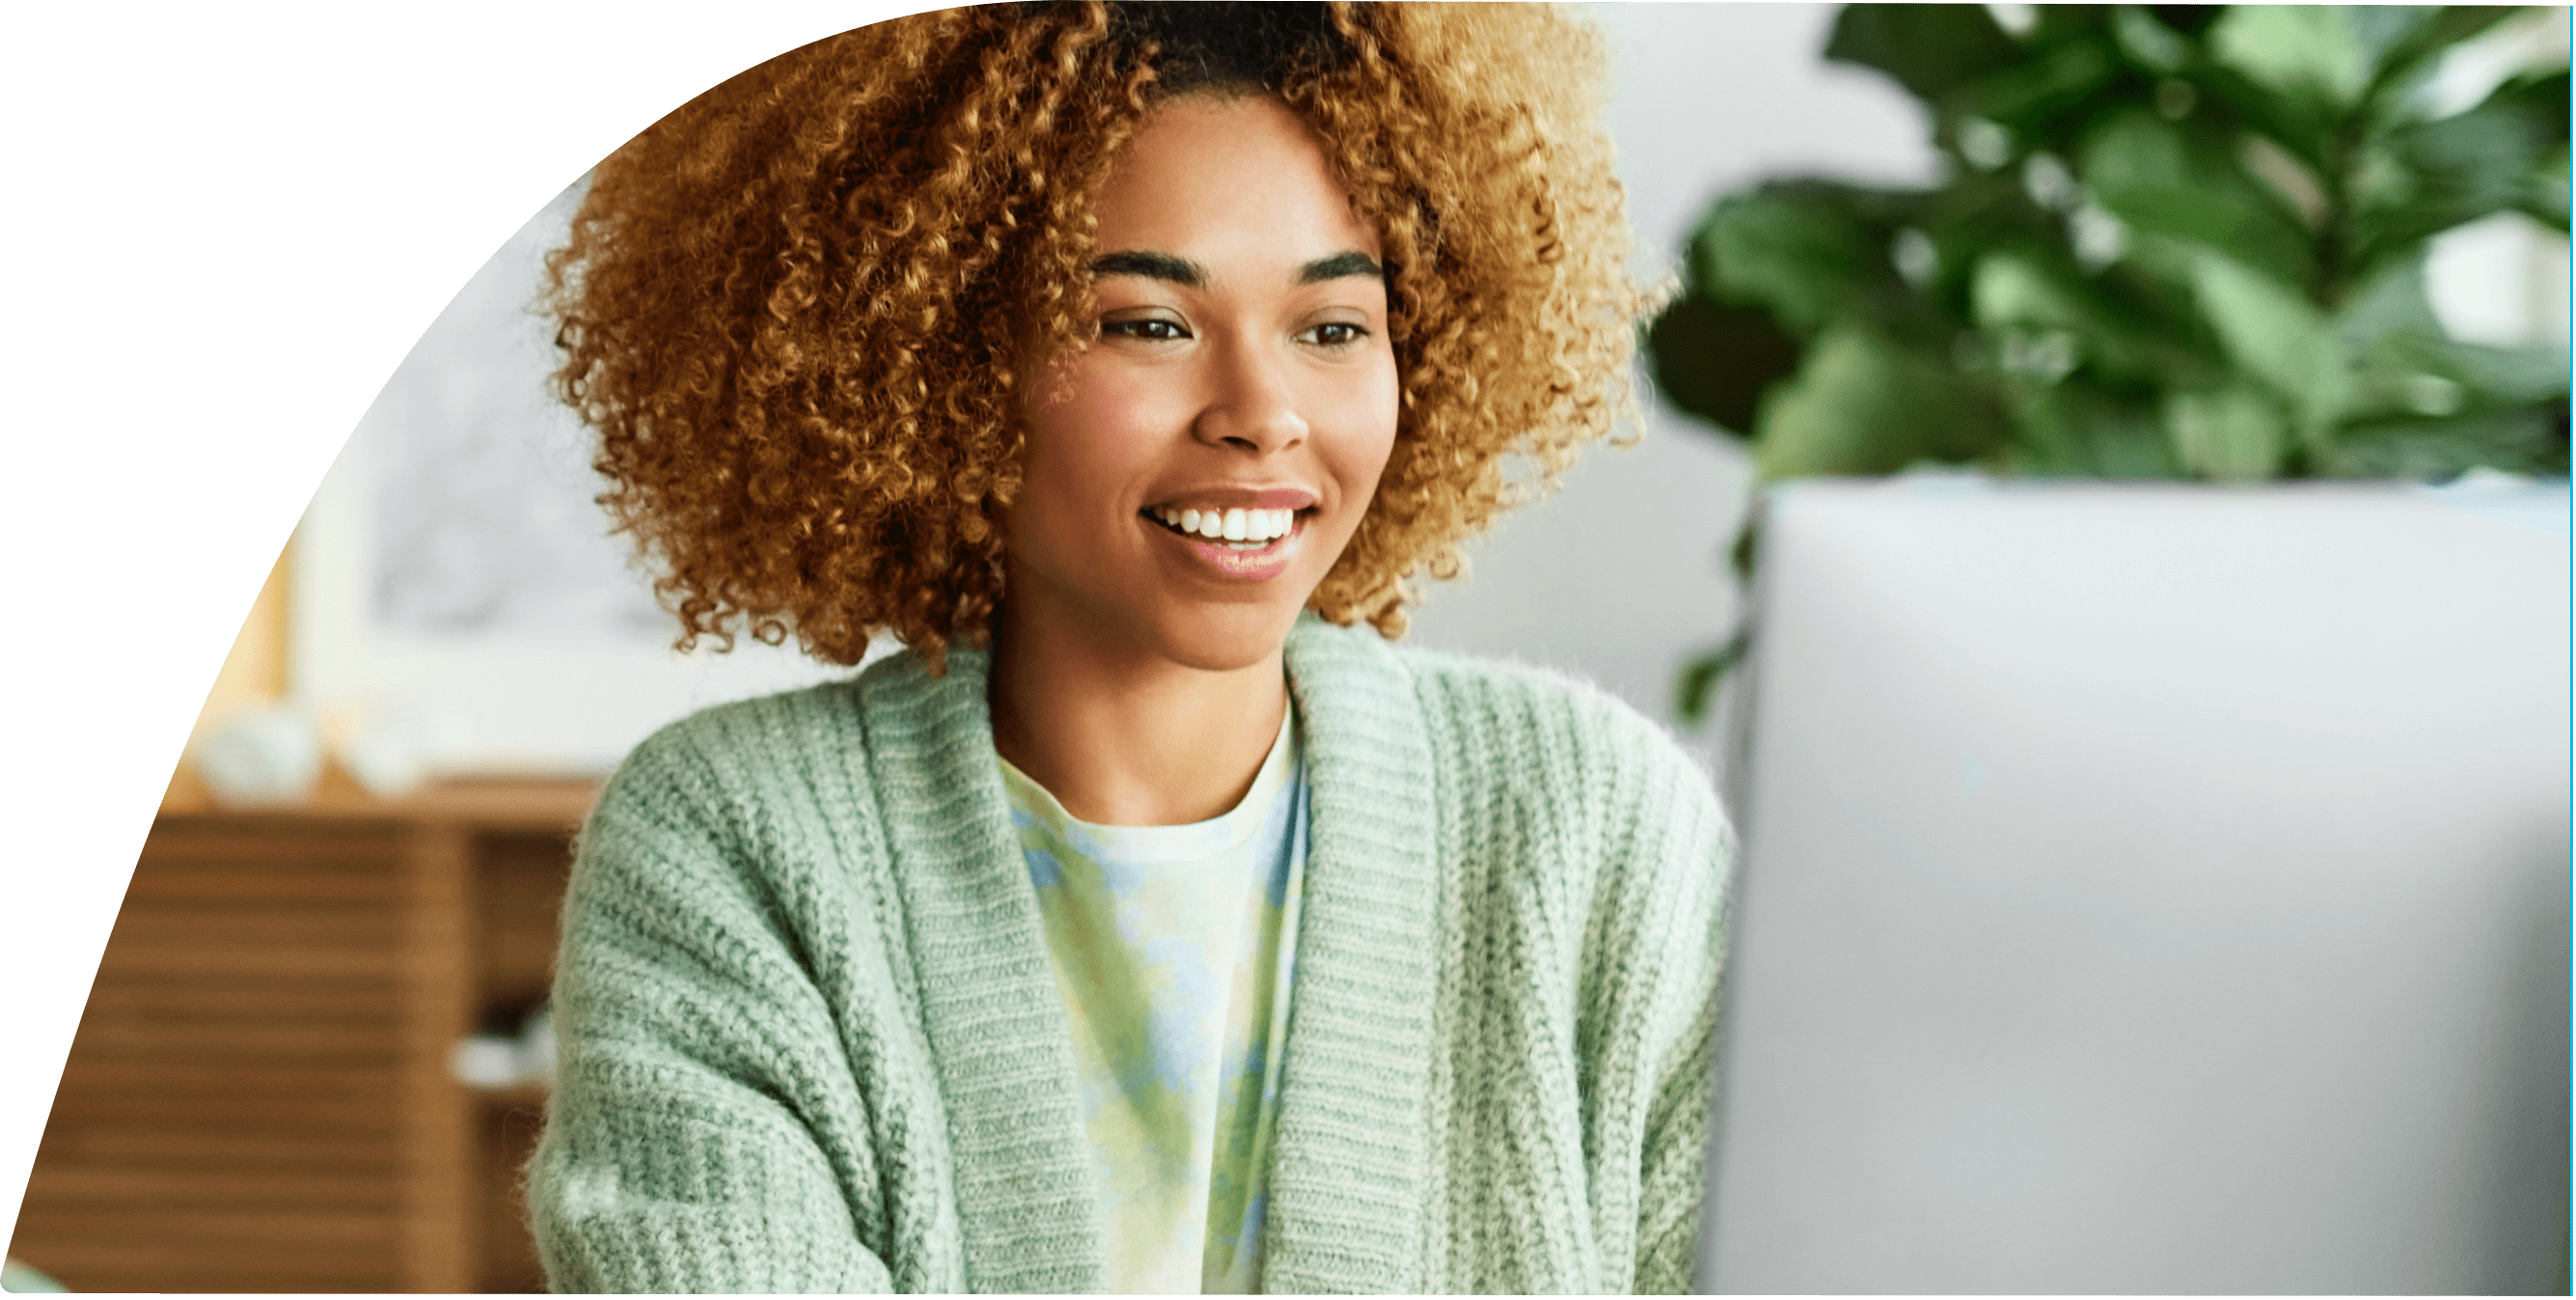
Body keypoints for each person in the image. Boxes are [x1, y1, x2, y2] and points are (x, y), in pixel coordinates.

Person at [527, 2, 1731, 1292]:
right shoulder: (736, 847)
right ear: (940, 355)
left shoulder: (1591, 824)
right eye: (1147, 323)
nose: (1262, 418)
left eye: (1332, 328)